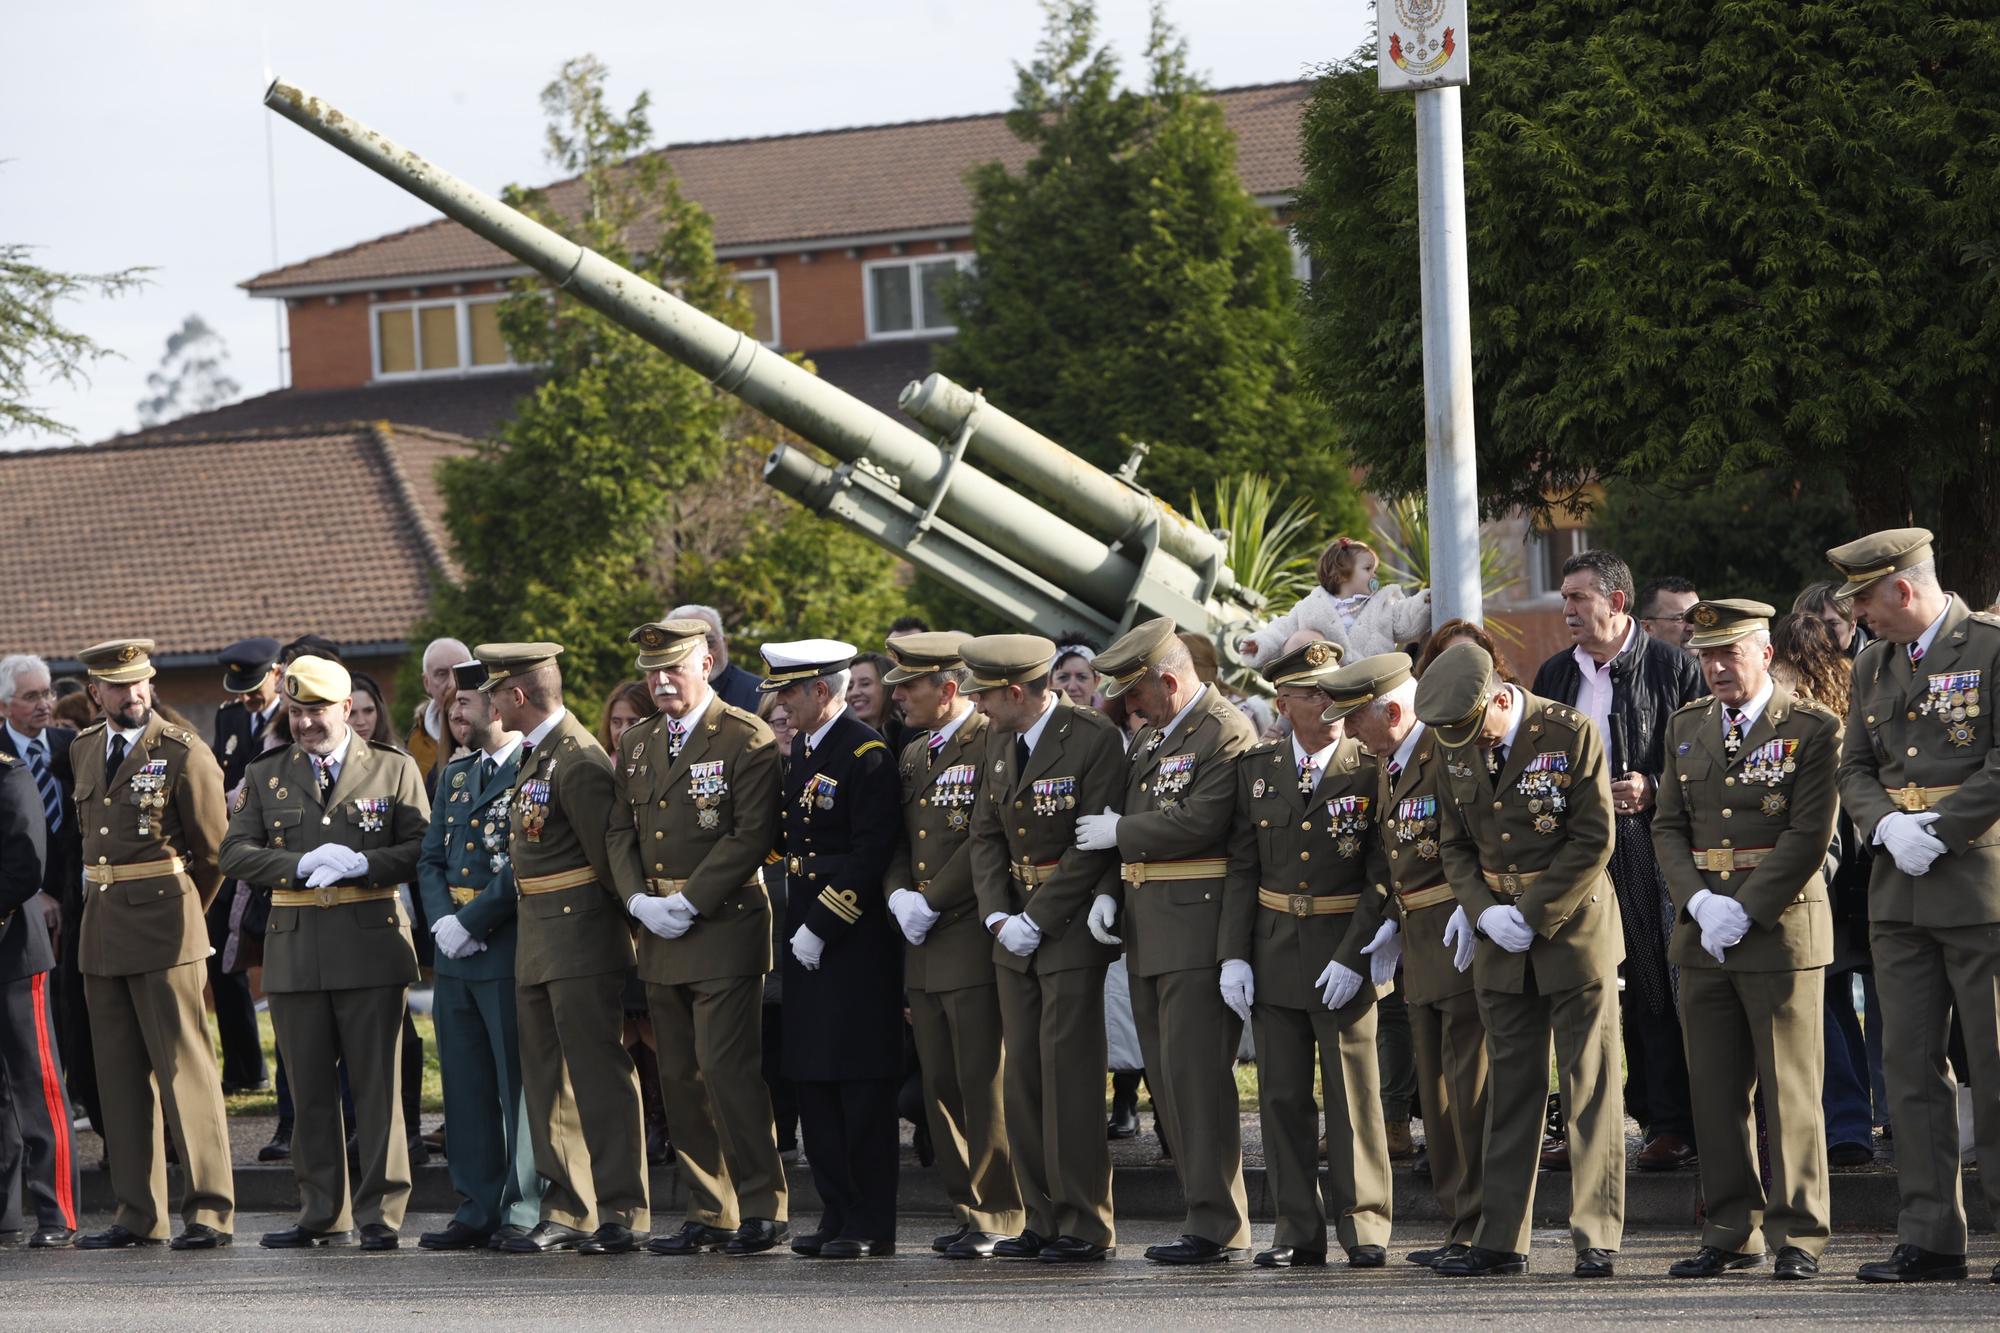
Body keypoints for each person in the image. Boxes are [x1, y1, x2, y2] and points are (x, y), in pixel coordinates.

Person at [1418, 640, 1625, 1278]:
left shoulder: (1568, 732)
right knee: (1510, 1087)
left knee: (1587, 1084)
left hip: (1572, 929)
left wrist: (1530, 915)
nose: (1472, 747)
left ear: (1502, 699)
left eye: (1479, 731)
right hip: (1498, 938)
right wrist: (1482, 911)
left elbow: (1594, 836)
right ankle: (1501, 1237)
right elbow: (1452, 842)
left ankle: (1597, 1236)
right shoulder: (1455, 746)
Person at [1826, 528, 2000, 1284]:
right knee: (1910, 1068)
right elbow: (1855, 765)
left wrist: (1948, 827)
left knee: (1994, 1063)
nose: (1857, 617)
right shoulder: (1872, 665)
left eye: (1863, 600)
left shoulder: (1990, 647)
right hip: (1899, 890)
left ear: (1901, 588)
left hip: (1977, 886)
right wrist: (1885, 822)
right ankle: (1931, 1234)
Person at [1650, 599, 1840, 1281]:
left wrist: (1746, 908)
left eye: (1730, 652)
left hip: (1779, 927)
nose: (1716, 667)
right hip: (1704, 931)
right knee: (1716, 1089)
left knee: (1789, 1090)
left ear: (1764, 651)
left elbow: (1809, 835)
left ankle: (1801, 1234)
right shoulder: (1686, 724)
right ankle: (1733, 1228)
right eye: (1706, 654)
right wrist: (1698, 899)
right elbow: (1666, 825)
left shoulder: (1813, 727)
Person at [219, 654, 428, 1251]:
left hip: (370, 944)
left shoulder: (392, 769)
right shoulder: (266, 773)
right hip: (297, 948)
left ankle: (381, 1215)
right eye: (296, 711)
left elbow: (421, 844)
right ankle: (320, 1210)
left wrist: (367, 864)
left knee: (377, 1087)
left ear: (347, 709)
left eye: (316, 712)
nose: (305, 723)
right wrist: (296, 865)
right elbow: (234, 852)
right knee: (308, 1088)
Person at [607, 620, 788, 1258]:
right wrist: (637, 900)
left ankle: (763, 1204)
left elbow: (752, 832)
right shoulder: (637, 743)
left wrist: (690, 899)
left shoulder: (746, 735)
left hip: (724, 923)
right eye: (651, 670)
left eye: (673, 668)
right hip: (659, 927)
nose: (659, 682)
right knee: (679, 1073)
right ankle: (711, 1210)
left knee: (727, 1069)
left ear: (706, 663)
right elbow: (619, 834)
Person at [1085, 618, 1257, 1265]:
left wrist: (1121, 834)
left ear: (1167, 678)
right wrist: (1109, 886)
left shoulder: (1223, 729)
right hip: (1149, 926)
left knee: (1196, 1082)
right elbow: (1130, 819)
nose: (1130, 707)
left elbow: (1204, 818)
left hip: (1195, 927)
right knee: (1167, 1078)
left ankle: (1218, 1220)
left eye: (1137, 694)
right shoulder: (1156, 736)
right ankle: (1202, 1212)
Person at [1531, 549, 1705, 1174]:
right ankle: (1590, 1126)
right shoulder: (1553, 675)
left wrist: (1654, 785)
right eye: (1564, 599)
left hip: (1645, 842)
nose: (1567, 610)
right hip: (1571, 848)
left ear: (1618, 602)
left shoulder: (1675, 668)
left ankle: (1671, 1124)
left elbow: (1702, 752)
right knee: (1581, 984)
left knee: (1655, 984)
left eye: (1579, 598)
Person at [1223, 640, 1395, 1268]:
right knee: (1282, 1095)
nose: (1326, 704)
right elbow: (1242, 866)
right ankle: (1297, 1228)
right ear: (1282, 701)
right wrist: (1232, 955)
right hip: (1273, 948)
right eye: (1310, 693)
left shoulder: (1369, 764)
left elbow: (1384, 868)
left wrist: (1356, 954)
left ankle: (1366, 1225)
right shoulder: (1258, 766)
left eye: (1332, 691)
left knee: (1354, 1094)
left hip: (1341, 944)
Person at [474, 643, 649, 1255]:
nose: (491, 702)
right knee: (547, 1082)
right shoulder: (540, 753)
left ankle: (621, 1210)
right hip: (541, 938)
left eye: (496, 691)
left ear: (517, 696)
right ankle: (569, 1207)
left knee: (597, 1078)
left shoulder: (576, 759)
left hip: (582, 941)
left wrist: (625, 941)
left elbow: (611, 863)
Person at [63, 639, 234, 1251]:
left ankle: (210, 1210)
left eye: (141, 683)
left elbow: (215, 855)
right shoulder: (84, 750)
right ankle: (139, 1213)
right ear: (95, 693)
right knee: (119, 1078)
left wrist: (187, 916)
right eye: (118, 686)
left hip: (166, 929)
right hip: (102, 929)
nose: (133, 695)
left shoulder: (185, 751)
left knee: (185, 1071)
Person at [963, 632, 1125, 1262]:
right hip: (1014, 931)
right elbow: (984, 836)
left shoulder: (1090, 739)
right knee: (1023, 1079)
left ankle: (1085, 1222)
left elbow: (1094, 842)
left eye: (984, 695)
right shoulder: (999, 741)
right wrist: (999, 915)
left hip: (1068, 927)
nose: (977, 706)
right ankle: (1041, 1217)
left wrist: (1040, 915)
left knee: (1070, 1078)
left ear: (1014, 691)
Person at [1335, 651, 1489, 1271]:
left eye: (1355, 719)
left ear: (1394, 712)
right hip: (1419, 937)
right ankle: (1460, 1223)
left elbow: (1486, 834)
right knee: (1438, 1090)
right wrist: (1394, 923)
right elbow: (1396, 857)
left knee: (1471, 1083)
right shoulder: (1389, 762)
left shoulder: (1448, 750)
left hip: (1460, 931)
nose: (1347, 732)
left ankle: (1485, 1224)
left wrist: (1476, 906)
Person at [880, 632, 1024, 1259]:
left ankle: (1003, 1211)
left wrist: (931, 901)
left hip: (966, 932)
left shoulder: (992, 741)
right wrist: (897, 899)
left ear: (947, 689)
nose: (898, 697)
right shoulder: (913, 755)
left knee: (981, 1079)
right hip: (922, 940)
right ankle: (968, 1206)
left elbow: (987, 842)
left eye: (908, 686)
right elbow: (897, 842)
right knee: (939, 1083)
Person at [761, 639, 903, 1258]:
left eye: (790, 693)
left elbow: (872, 853)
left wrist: (824, 922)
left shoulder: (866, 755)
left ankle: (870, 1221)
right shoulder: (806, 754)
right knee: (813, 1077)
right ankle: (836, 1208)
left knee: (860, 1085)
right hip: (803, 936)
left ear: (822, 691)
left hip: (852, 942)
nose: (781, 706)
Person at [414, 659, 543, 1251]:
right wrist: (443, 920)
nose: (454, 708)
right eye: (453, 700)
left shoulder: (532, 769)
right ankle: (476, 1203)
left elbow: (527, 861)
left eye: (466, 700)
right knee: (464, 1084)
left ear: (499, 705)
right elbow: (430, 857)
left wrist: (472, 920)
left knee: (515, 1082)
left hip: (506, 943)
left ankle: (522, 1205)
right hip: (455, 951)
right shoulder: (456, 774)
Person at [1770, 612, 1881, 1168]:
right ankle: (1876, 1120)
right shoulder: (1851, 705)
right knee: (1870, 1010)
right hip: (1864, 884)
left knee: (1831, 1010)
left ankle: (1847, 1127)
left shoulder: (1805, 724)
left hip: (1827, 887)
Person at [0, 654, 94, 1136]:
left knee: (82, 1018)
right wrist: (32, 892)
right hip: (18, 912)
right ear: (5, 705)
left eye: (48, 694)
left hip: (78, 904)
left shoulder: (71, 746)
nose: (45, 704)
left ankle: (86, 1109)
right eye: (32, 696)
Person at [0, 718, 75, 1249]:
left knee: (37, 1084)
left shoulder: (10, 775)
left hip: (13, 950)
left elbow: (27, 862)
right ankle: (5, 1214)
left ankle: (57, 1212)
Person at [348, 668, 427, 1163]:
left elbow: (415, 841)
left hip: (385, 906)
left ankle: (410, 1127)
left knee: (399, 1025)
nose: (359, 720)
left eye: (368, 711)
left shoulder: (395, 764)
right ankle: (360, 1127)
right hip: (330, 917)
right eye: (351, 710)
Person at [597, 676, 669, 1167]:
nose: (623, 731)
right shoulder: (604, 770)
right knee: (628, 1029)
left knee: (657, 1031)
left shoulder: (660, 764)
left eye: (634, 721)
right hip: (618, 914)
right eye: (616, 721)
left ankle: (667, 1125)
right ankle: (645, 1126)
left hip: (660, 910)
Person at [205, 637, 280, 1097]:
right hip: (236, 852)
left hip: (278, 850)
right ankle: (244, 1069)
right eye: (242, 688)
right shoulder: (229, 716)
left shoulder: (295, 716)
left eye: (255, 686)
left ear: (278, 672)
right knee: (224, 956)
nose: (248, 697)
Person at [1240, 536, 1433, 666]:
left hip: (1373, 683)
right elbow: (1282, 629)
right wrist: (1260, 643)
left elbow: (1404, 619)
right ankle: (1285, 724)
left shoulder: (1383, 605)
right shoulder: (1312, 606)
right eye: (1368, 569)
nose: (1374, 576)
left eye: (1375, 570)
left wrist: (1424, 602)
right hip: (1329, 692)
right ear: (1341, 575)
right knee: (1302, 639)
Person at [668, 604, 761, 713]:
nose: (703, 655)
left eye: (710, 643)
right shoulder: (661, 695)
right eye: (689, 647)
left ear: (725, 644)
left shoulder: (759, 694)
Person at [404, 638, 471, 781]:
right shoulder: (415, 742)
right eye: (442, 673)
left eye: (460, 670)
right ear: (427, 683)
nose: (453, 683)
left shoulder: (498, 730)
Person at [1417, 618, 1522, 685]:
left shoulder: (1507, 702)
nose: (1463, 665)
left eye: (1471, 656)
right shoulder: (1424, 713)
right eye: (1452, 657)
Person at [1793, 581, 1863, 658]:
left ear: (1853, 626)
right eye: (1812, 623)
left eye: (1832, 624)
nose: (1822, 632)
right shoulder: (1783, 666)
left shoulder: (1875, 664)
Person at [1636, 577, 1701, 653]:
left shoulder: (1715, 664)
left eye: (1697, 617)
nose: (1692, 627)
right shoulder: (1627, 663)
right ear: (1647, 628)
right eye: (1679, 618)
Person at [1051, 645, 1099, 711]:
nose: (1072, 687)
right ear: (1049, 683)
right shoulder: (1034, 718)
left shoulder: (1111, 718)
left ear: (1096, 682)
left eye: (1082, 677)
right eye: (1063, 677)